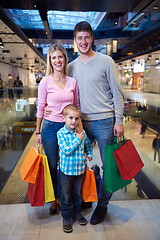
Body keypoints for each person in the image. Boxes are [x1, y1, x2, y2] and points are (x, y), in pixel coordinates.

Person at [44, 21, 124, 224]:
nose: (83, 41)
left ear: (92, 38)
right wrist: (49, 108)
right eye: (79, 38)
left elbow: (117, 93)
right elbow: (63, 91)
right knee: (77, 163)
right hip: (79, 124)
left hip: (105, 121)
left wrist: (119, 120)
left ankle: (103, 205)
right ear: (74, 41)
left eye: (87, 37)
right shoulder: (71, 66)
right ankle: (82, 200)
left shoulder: (106, 61)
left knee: (108, 167)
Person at [36, 44, 80, 215]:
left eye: (60, 57)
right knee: (53, 165)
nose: (57, 60)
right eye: (53, 57)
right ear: (50, 60)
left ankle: (67, 198)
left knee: (67, 165)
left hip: (69, 128)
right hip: (50, 128)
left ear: (65, 58)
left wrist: (79, 129)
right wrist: (38, 131)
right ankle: (55, 199)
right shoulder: (45, 82)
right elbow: (40, 107)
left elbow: (76, 106)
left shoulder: (72, 82)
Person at [57, 104, 93, 233]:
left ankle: (77, 212)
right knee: (66, 195)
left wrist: (89, 155)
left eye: (77, 118)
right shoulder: (61, 133)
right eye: (71, 118)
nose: (74, 121)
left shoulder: (82, 132)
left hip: (80, 171)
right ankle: (66, 217)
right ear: (64, 118)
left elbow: (88, 145)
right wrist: (78, 139)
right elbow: (66, 150)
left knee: (78, 193)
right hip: (66, 172)